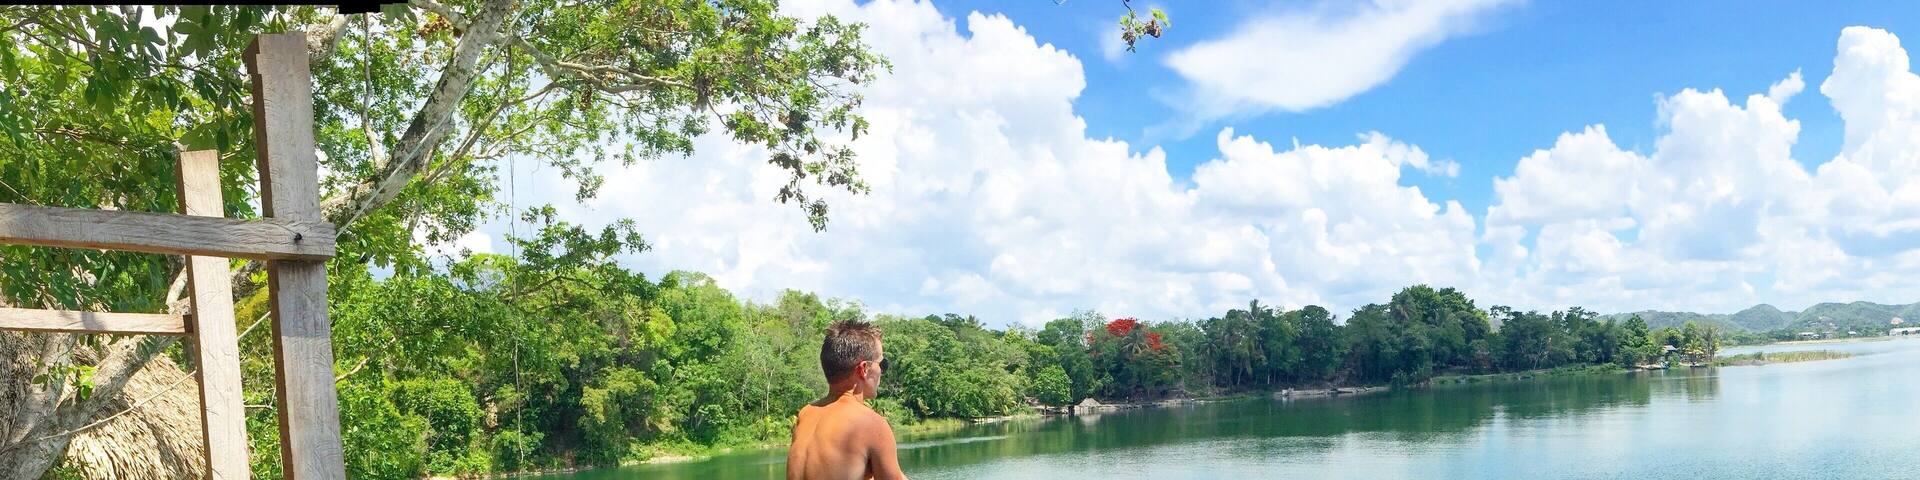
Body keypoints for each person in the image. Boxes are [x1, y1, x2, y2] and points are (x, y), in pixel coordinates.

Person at [788, 320, 909, 480]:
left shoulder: (805, 415)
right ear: (864, 369)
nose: (882, 372)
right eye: (882, 364)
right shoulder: (871, 424)